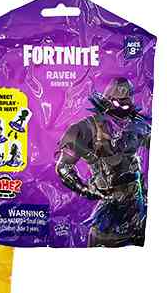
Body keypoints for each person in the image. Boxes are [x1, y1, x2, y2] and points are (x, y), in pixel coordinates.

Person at [56, 77, 150, 247]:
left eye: (126, 100)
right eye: (118, 101)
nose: (122, 104)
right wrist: (86, 190)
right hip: (110, 210)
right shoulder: (86, 127)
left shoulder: (138, 125)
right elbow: (63, 167)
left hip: (139, 208)